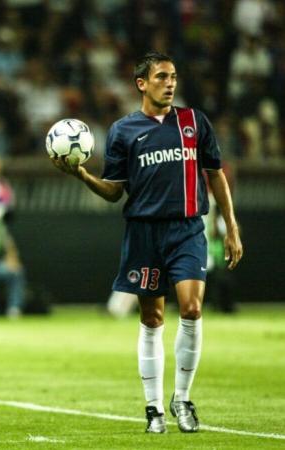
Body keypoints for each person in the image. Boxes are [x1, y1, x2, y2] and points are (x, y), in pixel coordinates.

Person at [51, 52, 243, 434]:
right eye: (161, 77)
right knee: (152, 318)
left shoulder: (193, 122)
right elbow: (113, 192)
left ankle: (183, 399)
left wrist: (231, 225)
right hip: (144, 232)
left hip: (188, 228)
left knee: (191, 309)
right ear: (142, 83)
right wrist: (83, 176)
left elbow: (216, 175)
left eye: (173, 76)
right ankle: (154, 408)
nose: (170, 83)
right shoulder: (124, 131)